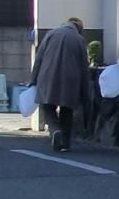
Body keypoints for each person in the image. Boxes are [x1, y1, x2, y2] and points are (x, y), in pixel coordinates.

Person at [33, 17, 94, 152]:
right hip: (71, 79)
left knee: (48, 106)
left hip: (47, 76)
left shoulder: (51, 34)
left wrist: (33, 79)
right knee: (67, 110)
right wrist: (85, 90)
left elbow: (39, 58)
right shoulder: (79, 40)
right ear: (79, 28)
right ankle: (65, 143)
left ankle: (54, 130)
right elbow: (84, 66)